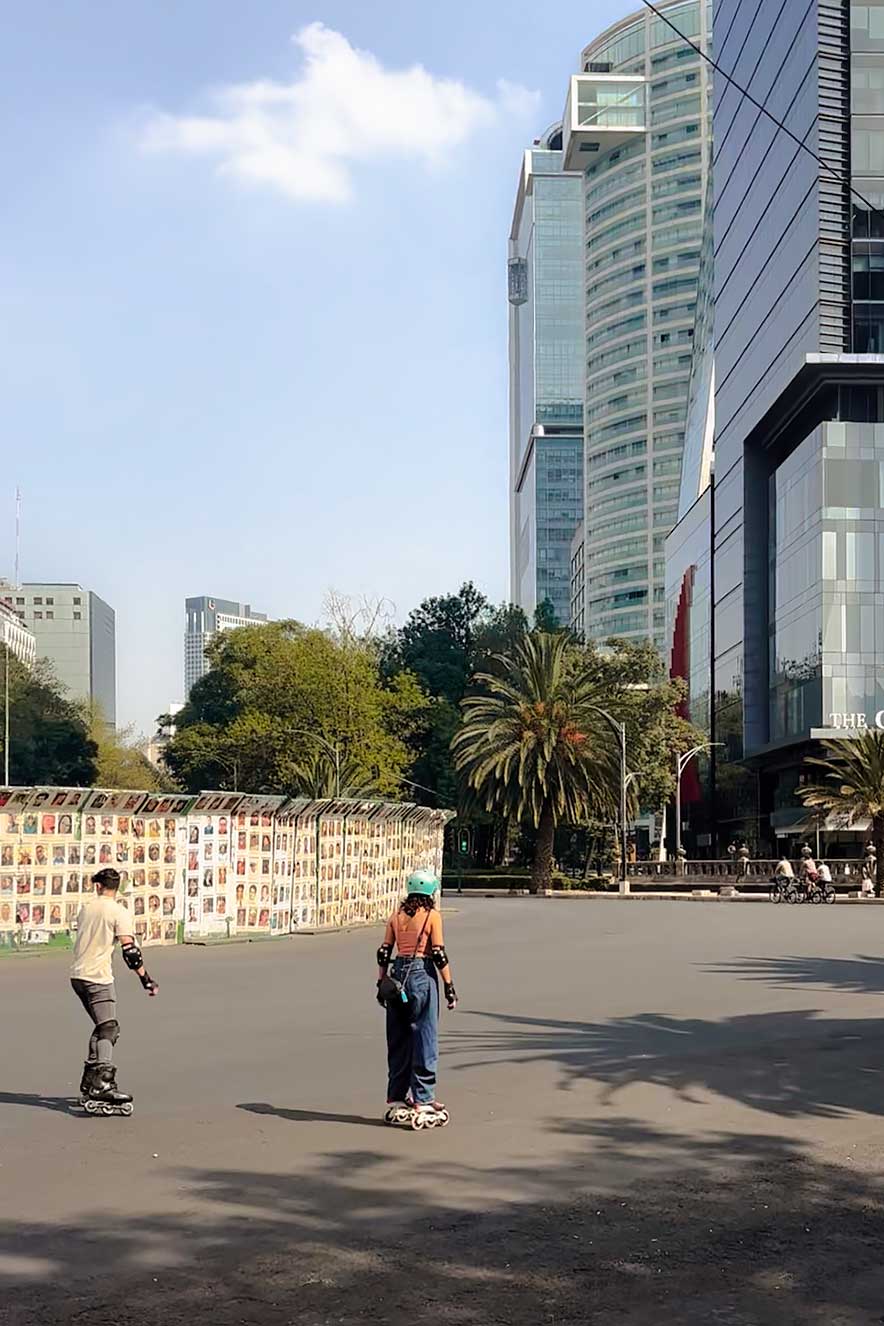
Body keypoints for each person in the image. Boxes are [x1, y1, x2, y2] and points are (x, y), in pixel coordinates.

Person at [70, 868, 159, 1115]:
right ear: (116, 887)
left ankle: (89, 1081)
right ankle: (103, 1084)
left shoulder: (86, 909)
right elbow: (130, 952)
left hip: (77, 975)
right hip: (98, 977)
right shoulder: (119, 912)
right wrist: (146, 980)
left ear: (98, 886)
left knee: (101, 1026)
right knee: (109, 1027)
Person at [376, 869, 457, 1130]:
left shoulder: (396, 916)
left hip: (397, 975)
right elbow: (439, 953)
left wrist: (381, 982)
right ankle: (423, 1098)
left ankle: (398, 1096)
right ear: (430, 892)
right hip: (421, 975)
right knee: (425, 1036)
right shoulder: (432, 916)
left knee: (398, 1039)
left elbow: (384, 952)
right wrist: (449, 986)